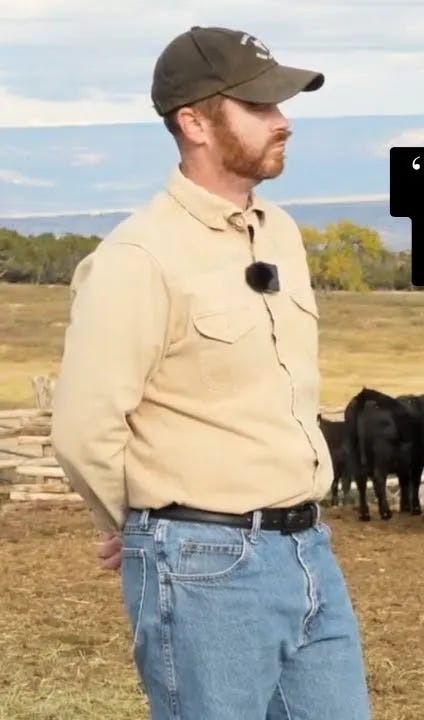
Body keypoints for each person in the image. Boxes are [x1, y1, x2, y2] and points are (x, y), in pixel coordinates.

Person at [50, 26, 372, 719]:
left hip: (309, 551)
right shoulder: (139, 258)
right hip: (204, 567)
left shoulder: (280, 232)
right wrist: (139, 526)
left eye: (281, 104)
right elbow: (83, 430)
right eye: (258, 106)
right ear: (193, 122)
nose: (283, 121)